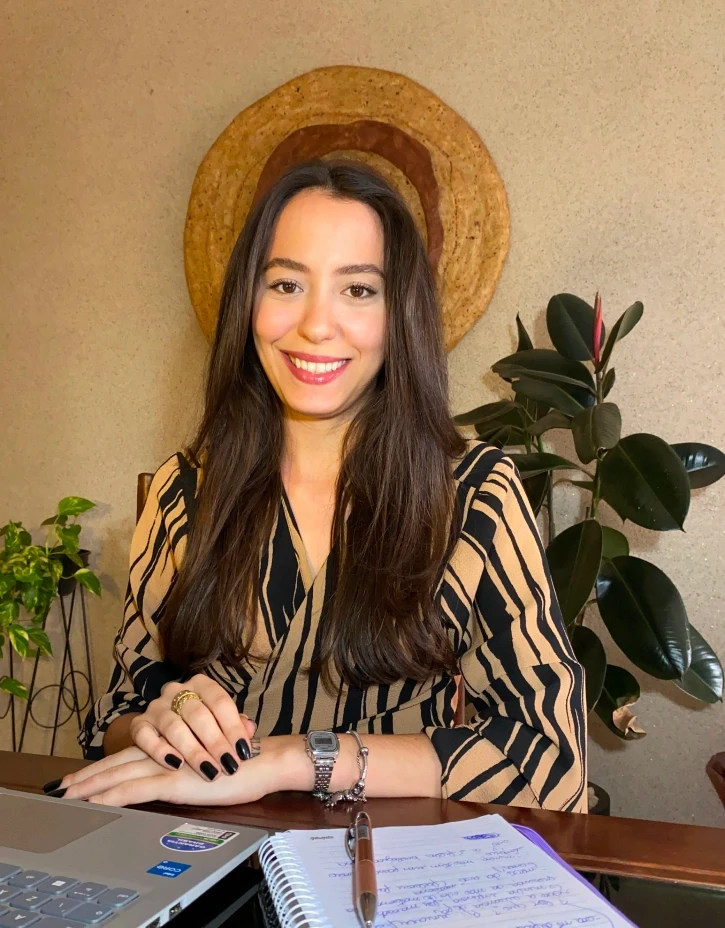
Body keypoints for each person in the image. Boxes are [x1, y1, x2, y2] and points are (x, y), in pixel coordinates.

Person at [49, 160, 586, 812]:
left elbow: (550, 761)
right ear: (248, 303)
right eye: (285, 284)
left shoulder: (475, 493)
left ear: (398, 314)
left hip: (388, 860)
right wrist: (165, 715)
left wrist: (295, 759)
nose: (315, 325)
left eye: (357, 289)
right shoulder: (184, 490)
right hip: (202, 853)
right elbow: (115, 713)